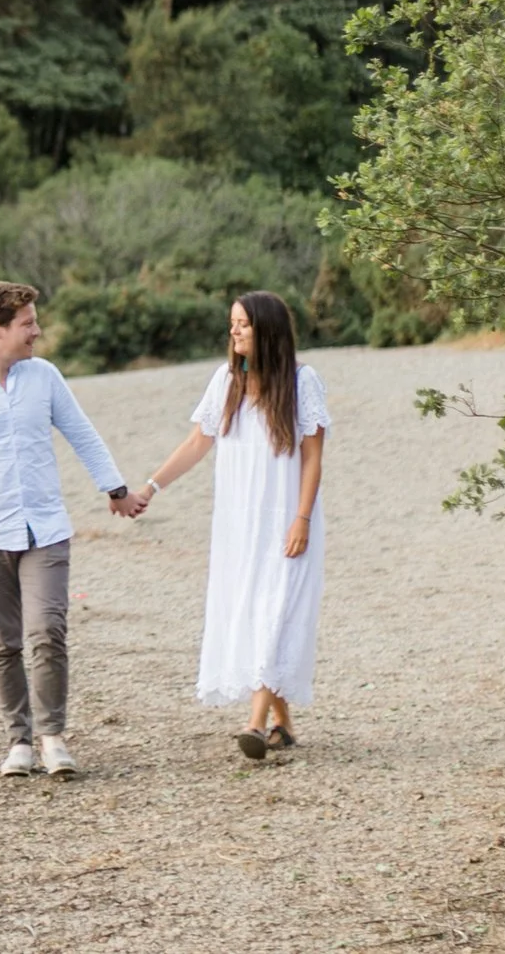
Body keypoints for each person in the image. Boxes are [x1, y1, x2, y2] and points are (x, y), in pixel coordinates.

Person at [0, 280, 146, 779]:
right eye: (28, 323)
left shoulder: (45, 378)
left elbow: (81, 431)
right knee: (3, 643)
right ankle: (18, 742)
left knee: (48, 632)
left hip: (46, 528)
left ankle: (52, 737)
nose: (37, 331)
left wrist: (116, 489)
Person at [140, 289, 329, 760]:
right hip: (239, 524)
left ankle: (254, 723)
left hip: (287, 520)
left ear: (266, 329)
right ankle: (282, 724)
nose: (234, 331)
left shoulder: (303, 383)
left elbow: (312, 459)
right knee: (253, 612)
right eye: (232, 323)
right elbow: (196, 442)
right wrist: (150, 487)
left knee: (276, 610)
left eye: (242, 323)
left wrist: (301, 518)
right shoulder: (226, 382)